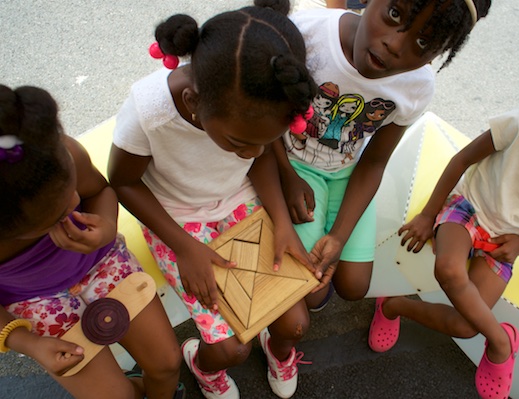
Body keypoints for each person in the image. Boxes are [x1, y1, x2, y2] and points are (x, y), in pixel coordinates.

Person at [107, 1, 318, 398]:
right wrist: (184, 247)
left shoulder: (255, 110)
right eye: (239, 143)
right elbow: (122, 183)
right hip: (177, 219)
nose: (254, 154)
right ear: (193, 103)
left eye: (264, 143)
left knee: (294, 323)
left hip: (239, 202)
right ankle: (202, 366)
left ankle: (277, 350)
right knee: (230, 348)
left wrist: (283, 223)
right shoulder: (150, 111)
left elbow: (257, 163)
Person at [371, 68, 519, 399]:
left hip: (506, 239)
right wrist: (428, 213)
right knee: (448, 269)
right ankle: (501, 342)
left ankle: (392, 306)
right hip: (468, 207)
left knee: (466, 326)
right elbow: (462, 158)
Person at [274, 0, 492, 312]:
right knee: (311, 294)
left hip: (347, 172)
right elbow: (260, 118)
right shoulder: (307, 34)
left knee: (354, 286)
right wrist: (286, 175)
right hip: (292, 164)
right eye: (393, 14)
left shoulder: (416, 87)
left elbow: (374, 162)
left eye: (423, 42)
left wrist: (339, 236)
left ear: (440, 53)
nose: (393, 44)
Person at [0, 85, 183, 399]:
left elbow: (98, 190)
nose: (74, 202)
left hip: (103, 260)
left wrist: (107, 227)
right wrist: (28, 343)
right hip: (33, 299)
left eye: (71, 189)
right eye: (56, 214)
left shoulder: (59, 151)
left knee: (167, 363)